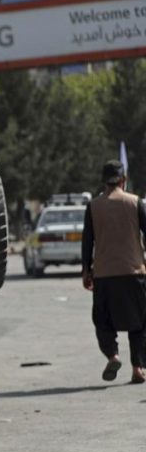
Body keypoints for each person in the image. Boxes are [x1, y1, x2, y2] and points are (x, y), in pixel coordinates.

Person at [81, 160, 146, 384]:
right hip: (134, 272)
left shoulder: (93, 206)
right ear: (123, 180)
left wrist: (85, 270)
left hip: (104, 275)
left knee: (103, 321)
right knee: (140, 323)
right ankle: (138, 368)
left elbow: (87, 241)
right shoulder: (136, 202)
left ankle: (113, 355)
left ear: (103, 181)